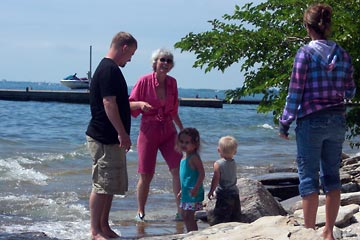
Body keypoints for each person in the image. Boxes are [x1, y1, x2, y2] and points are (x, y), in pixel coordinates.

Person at [279, 4, 356, 240]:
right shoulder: (342, 54)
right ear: (328, 25)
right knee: (332, 176)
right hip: (336, 119)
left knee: (309, 178)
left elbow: (295, 92)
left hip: (310, 121)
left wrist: (285, 123)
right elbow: (351, 91)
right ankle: (329, 231)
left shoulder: (304, 54)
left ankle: (309, 233)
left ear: (307, 27)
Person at [85, 31, 137, 240]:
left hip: (111, 138)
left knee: (110, 185)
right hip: (104, 136)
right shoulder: (108, 69)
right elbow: (109, 103)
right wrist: (122, 133)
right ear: (123, 47)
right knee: (101, 184)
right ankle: (95, 230)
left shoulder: (112, 69)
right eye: (131, 53)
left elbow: (118, 103)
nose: (131, 58)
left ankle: (104, 226)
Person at [129, 48, 184, 222]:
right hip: (149, 131)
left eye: (168, 61)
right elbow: (128, 104)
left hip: (168, 130)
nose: (165, 63)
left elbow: (174, 110)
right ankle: (140, 212)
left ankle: (180, 212)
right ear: (155, 62)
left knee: (177, 169)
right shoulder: (144, 81)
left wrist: (182, 130)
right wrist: (140, 104)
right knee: (146, 174)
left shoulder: (172, 83)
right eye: (162, 60)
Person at [207, 135, 241, 226]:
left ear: (219, 150)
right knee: (235, 215)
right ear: (235, 152)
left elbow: (216, 179)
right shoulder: (233, 162)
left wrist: (211, 191)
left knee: (220, 216)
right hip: (234, 192)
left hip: (223, 193)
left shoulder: (218, 164)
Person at [176, 128, 205, 232]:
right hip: (186, 191)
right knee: (184, 214)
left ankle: (193, 234)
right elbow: (185, 177)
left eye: (187, 142)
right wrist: (181, 191)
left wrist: (196, 188)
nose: (184, 144)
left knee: (188, 215)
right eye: (182, 142)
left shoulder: (194, 157)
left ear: (195, 144)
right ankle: (190, 233)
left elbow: (202, 173)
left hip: (193, 191)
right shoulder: (184, 157)